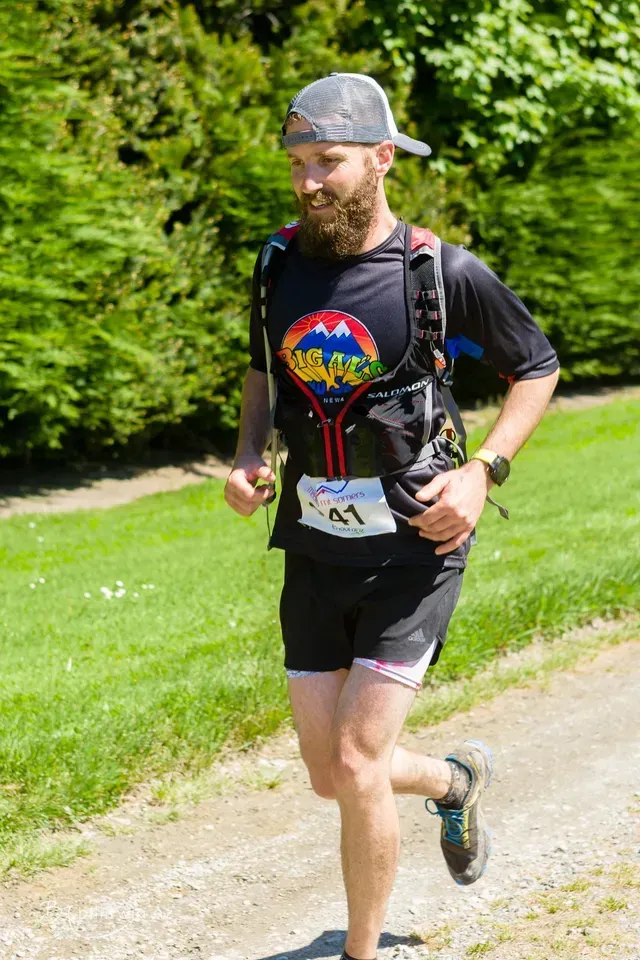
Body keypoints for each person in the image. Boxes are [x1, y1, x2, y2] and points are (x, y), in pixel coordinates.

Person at [224, 73, 559, 960]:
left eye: (326, 162)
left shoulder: (438, 271)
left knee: (362, 761)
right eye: (297, 163)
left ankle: (360, 953)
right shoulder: (275, 264)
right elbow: (263, 369)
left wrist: (484, 471)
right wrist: (250, 455)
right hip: (312, 541)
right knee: (328, 773)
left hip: (419, 541)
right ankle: (455, 781)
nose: (306, 182)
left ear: (380, 160)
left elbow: (537, 366)